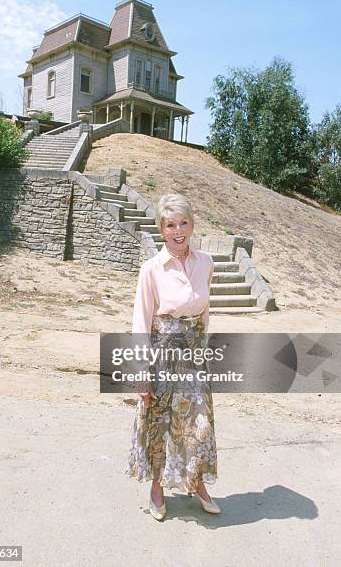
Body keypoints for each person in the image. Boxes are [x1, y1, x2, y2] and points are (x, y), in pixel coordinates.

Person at [125, 193, 221, 520]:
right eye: (170, 225)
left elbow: (205, 310)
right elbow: (141, 320)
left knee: (199, 424)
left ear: (192, 224)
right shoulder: (151, 269)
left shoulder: (206, 263)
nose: (178, 230)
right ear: (161, 230)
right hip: (162, 356)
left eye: (183, 222)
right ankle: (157, 487)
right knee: (160, 425)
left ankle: (196, 483)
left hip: (194, 357)